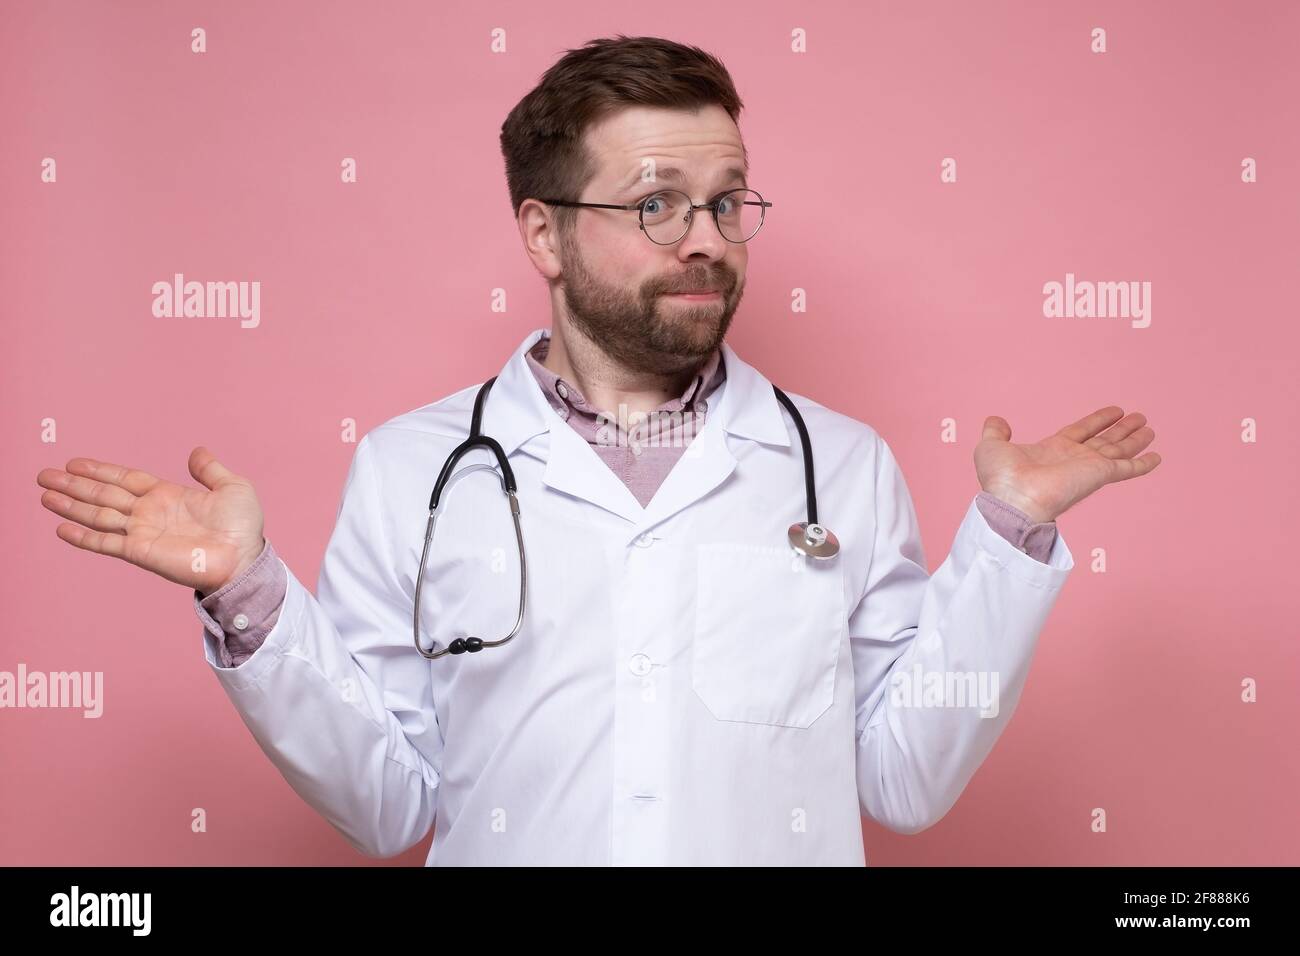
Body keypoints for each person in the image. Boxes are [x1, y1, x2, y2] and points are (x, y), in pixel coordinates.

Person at [34, 35, 1160, 865]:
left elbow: (902, 778)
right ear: (544, 231)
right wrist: (251, 595)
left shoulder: (841, 464)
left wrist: (1011, 535)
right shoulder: (409, 467)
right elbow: (388, 802)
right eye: (658, 205)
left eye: (728, 203)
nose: (707, 242)